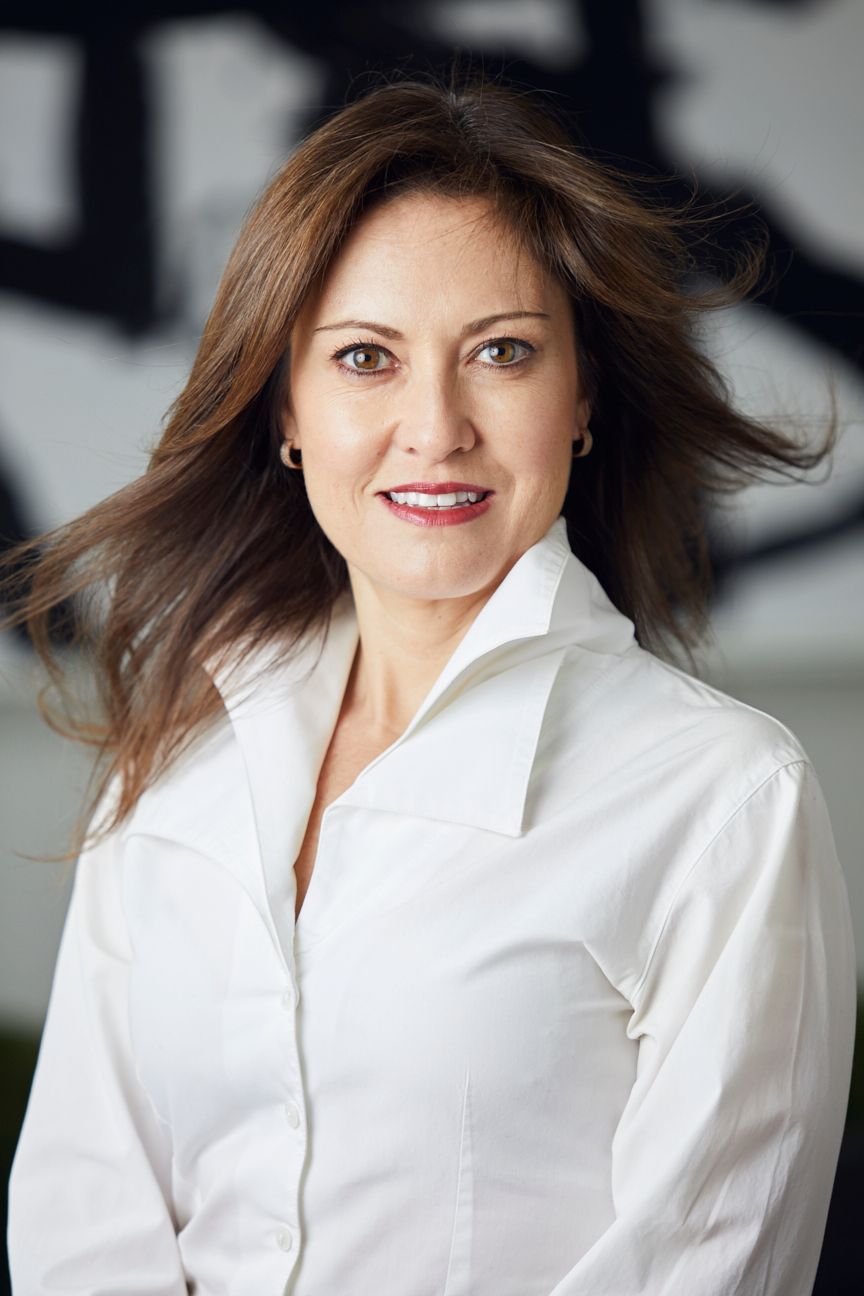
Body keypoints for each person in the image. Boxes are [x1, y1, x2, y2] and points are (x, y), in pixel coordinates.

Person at [3, 73, 856, 1295]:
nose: (435, 425)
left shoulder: (721, 799)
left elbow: (706, 1266)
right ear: (285, 407)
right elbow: (83, 1216)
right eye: (364, 358)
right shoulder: (175, 762)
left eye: (501, 354)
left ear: (583, 399)